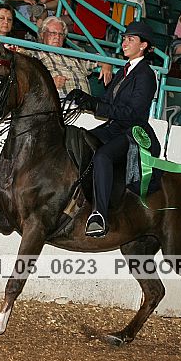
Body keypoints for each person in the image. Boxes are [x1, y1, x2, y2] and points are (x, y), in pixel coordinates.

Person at [66, 21, 161, 238]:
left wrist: (96, 106)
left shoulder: (146, 75)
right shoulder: (124, 71)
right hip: (114, 127)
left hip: (133, 132)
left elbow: (133, 113)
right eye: (124, 38)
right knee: (79, 141)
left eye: (130, 39)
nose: (124, 42)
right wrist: (85, 98)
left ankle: (99, 215)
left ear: (143, 45)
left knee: (103, 156)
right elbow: (108, 102)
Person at [33, 16, 113, 98]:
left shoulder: (73, 54)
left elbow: (95, 59)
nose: (57, 37)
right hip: (59, 102)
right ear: (42, 34)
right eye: (53, 33)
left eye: (61, 34)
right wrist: (48, 84)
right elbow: (29, 83)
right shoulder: (34, 54)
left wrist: (106, 63)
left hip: (85, 103)